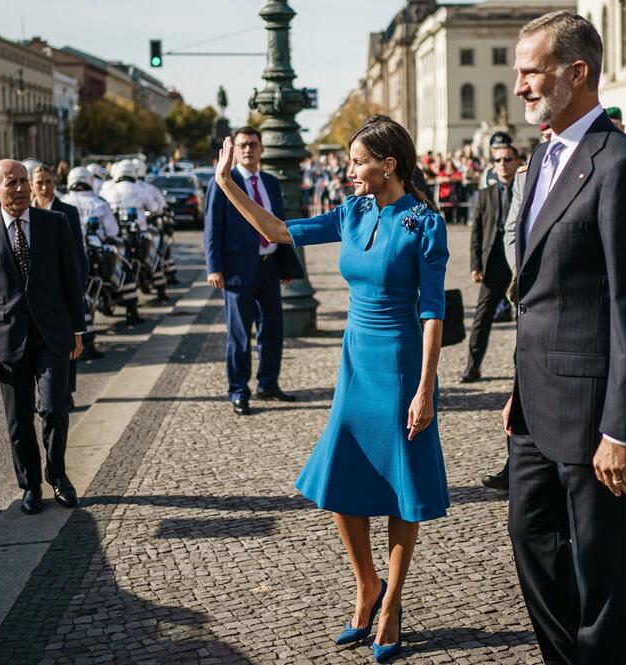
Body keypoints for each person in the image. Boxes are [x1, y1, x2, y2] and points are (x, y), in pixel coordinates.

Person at [212, 116, 449, 662]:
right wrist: (225, 184)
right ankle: (367, 584)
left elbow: (433, 312)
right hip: (354, 359)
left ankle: (391, 606)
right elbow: (277, 232)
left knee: (400, 482)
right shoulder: (353, 211)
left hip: (398, 362)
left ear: (388, 165)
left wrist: (426, 387)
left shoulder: (423, 224)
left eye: (357, 162)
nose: (349, 172)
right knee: (343, 474)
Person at [506, 13, 626, 664]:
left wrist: (622, 430)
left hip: (597, 419)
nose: (520, 84)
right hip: (534, 408)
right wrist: (517, 386)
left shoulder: (622, 165)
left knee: (603, 584)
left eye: (531, 70)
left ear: (576, 73)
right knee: (531, 541)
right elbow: (541, 288)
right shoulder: (542, 154)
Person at [0, 160, 85, 515]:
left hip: (52, 333)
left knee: (53, 408)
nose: (19, 189)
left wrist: (78, 330)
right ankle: (30, 485)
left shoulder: (54, 223)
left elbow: (72, 279)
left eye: (23, 182)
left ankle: (58, 475)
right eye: (11, 183)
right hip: (6, 338)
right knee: (18, 419)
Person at [203, 126, 305, 416]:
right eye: (243, 145)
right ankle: (238, 391)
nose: (248, 149)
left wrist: (285, 262)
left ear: (261, 149)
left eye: (253, 144)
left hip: (269, 268)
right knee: (239, 336)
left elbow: (279, 223)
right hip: (236, 272)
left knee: (273, 330)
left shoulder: (271, 182)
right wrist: (214, 267)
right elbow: (212, 226)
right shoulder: (224, 181)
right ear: (234, 150)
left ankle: (268, 384)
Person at [28, 160, 99, 367]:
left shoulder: (68, 211)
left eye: (48, 182)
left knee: (68, 343)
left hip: (61, 287)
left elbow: (78, 252)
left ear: (55, 183)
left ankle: (66, 394)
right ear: (31, 185)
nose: (44, 187)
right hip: (34, 288)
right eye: (39, 182)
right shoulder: (24, 213)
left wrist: (79, 285)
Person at [463, 141, 520, 384]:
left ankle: (523, 370)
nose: (503, 164)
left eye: (508, 159)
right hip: (493, 263)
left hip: (519, 262)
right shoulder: (485, 195)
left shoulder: (527, 190)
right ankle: (472, 367)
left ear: (517, 162)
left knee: (524, 319)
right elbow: (476, 232)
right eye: (498, 160)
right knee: (482, 316)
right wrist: (475, 264)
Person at [63, 166, 143, 326]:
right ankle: (131, 311)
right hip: (96, 248)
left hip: (67, 249)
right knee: (125, 266)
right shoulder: (98, 203)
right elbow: (113, 230)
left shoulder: (63, 201)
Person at [103, 160, 169, 303]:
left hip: (117, 235)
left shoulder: (109, 190)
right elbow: (155, 208)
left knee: (121, 263)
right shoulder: (141, 189)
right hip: (139, 233)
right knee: (153, 259)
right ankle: (161, 290)